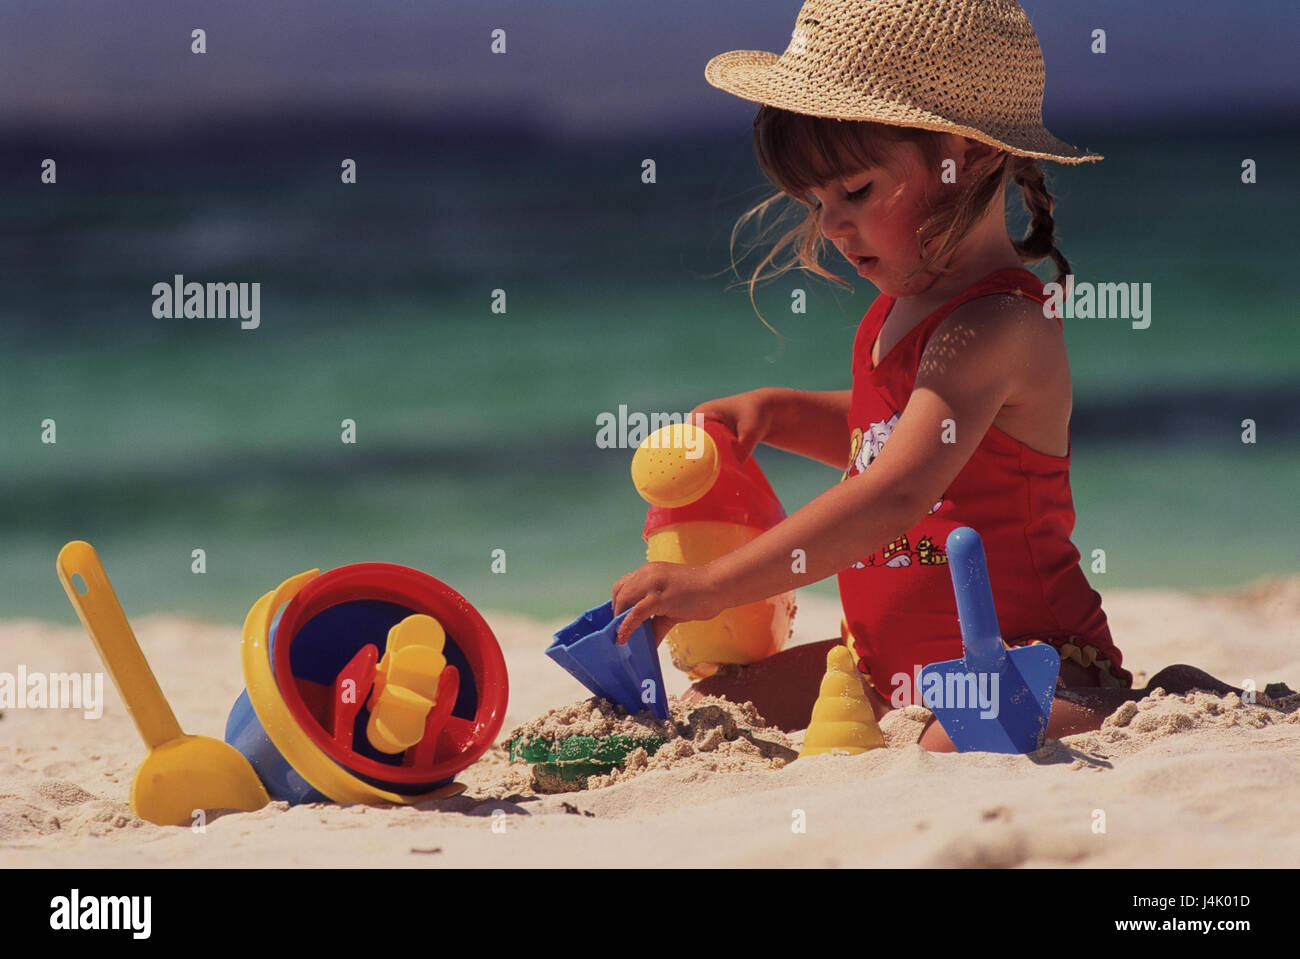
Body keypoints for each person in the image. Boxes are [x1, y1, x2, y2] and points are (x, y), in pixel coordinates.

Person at [610, 0, 1240, 749]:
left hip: (1023, 662)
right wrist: (777, 413)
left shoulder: (997, 325)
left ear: (966, 153)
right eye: (816, 201)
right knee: (717, 703)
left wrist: (713, 584)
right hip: (888, 667)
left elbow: (900, 488)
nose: (832, 226)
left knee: (949, 745)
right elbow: (887, 434)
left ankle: (1166, 692)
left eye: (856, 191)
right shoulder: (896, 308)